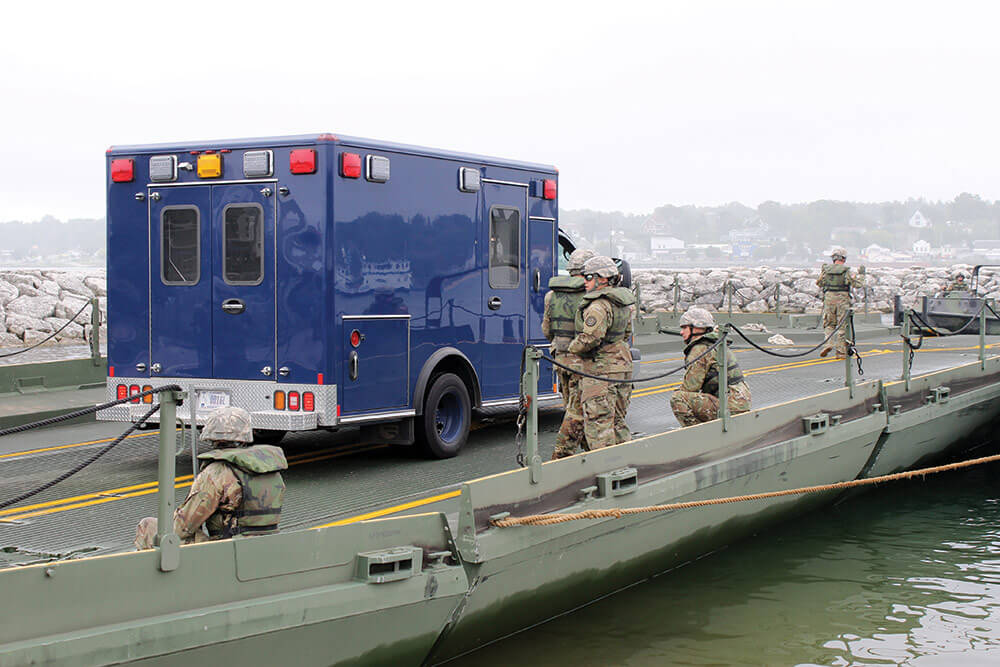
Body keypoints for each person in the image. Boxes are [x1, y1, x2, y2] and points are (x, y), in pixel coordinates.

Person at [134, 406, 287, 550]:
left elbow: (182, 528)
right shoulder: (270, 469)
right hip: (267, 544)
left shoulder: (216, 472)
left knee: (149, 526)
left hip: (226, 550)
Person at [565, 255, 635, 451]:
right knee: (618, 423)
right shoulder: (622, 302)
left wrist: (572, 349)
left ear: (603, 278)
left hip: (600, 371)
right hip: (622, 366)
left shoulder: (598, 305)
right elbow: (626, 333)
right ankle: (626, 465)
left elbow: (590, 338)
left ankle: (608, 472)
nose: (584, 281)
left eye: (588, 277)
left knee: (599, 427)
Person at [544, 248, 594, 459]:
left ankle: (584, 454)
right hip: (582, 364)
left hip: (560, 360)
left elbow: (547, 331)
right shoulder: (590, 296)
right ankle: (562, 458)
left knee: (571, 409)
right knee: (579, 414)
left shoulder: (551, 295)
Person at [670, 307, 752, 426]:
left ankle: (697, 434)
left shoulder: (700, 349)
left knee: (678, 398)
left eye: (684, 327)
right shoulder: (716, 343)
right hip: (739, 403)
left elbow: (690, 387)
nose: (681, 332)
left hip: (729, 406)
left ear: (697, 328)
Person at [817, 247, 865, 359]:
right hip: (842, 299)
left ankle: (828, 344)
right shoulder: (846, 270)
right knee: (842, 325)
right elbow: (857, 284)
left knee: (829, 324)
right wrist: (862, 275)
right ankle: (840, 352)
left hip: (829, 298)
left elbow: (819, 283)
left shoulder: (826, 270)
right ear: (843, 258)